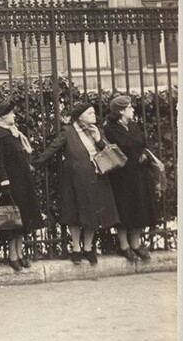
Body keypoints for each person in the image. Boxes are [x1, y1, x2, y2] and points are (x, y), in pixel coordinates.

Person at [32, 102, 120, 265]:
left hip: (96, 177)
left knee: (93, 213)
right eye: (90, 113)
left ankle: (88, 248)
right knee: (75, 214)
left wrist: (99, 139)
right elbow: (52, 148)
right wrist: (34, 165)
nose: (93, 115)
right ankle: (76, 249)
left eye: (93, 112)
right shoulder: (69, 131)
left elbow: (110, 153)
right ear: (80, 117)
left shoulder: (98, 131)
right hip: (76, 180)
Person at [0, 100, 45, 271]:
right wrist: (4, 182)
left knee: (22, 218)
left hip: (22, 181)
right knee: (12, 220)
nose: (13, 115)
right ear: (3, 116)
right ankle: (12, 255)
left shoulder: (12, 131)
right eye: (10, 113)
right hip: (10, 183)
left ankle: (19, 253)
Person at [103, 95, 160, 261]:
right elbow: (112, 152)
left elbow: (144, 144)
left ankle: (135, 244)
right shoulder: (109, 130)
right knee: (124, 210)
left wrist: (144, 154)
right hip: (121, 177)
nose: (133, 110)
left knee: (140, 208)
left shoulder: (134, 126)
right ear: (121, 111)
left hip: (140, 174)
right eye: (129, 107)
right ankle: (124, 246)